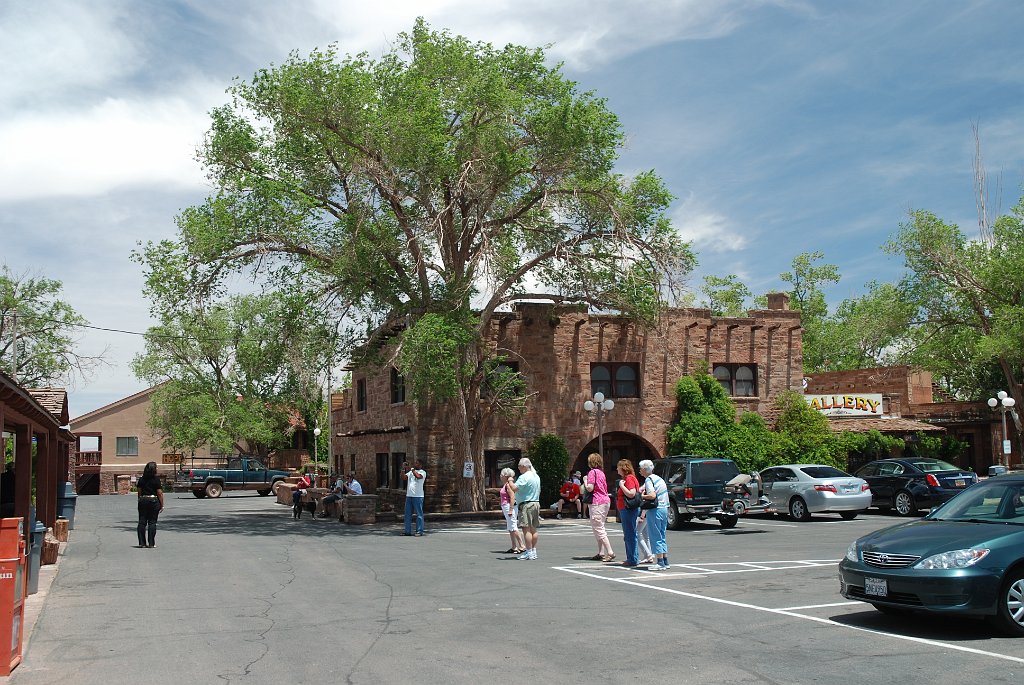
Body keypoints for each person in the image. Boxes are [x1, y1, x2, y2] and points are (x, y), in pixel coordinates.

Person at [582, 452, 615, 562]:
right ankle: (601, 552)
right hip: (605, 500)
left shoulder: (592, 472)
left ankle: (609, 551)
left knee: (598, 527)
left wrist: (585, 481)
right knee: (600, 526)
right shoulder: (601, 473)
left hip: (597, 502)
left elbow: (590, 488)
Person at [639, 459, 670, 570]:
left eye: (640, 469)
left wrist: (642, 496)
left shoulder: (649, 480)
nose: (640, 471)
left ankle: (660, 562)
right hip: (664, 508)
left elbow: (652, 495)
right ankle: (665, 560)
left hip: (655, 509)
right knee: (662, 535)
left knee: (655, 535)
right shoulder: (659, 478)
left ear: (644, 469)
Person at [510, 457, 541, 560]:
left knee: (526, 529)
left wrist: (510, 481)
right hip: (535, 503)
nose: (518, 468)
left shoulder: (524, 476)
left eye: (519, 466)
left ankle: (529, 552)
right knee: (534, 529)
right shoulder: (536, 476)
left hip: (526, 504)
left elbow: (514, 488)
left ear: (523, 466)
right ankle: (533, 551)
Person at [615, 459, 641, 567]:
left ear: (623, 468)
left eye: (618, 467)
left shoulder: (629, 479)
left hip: (628, 510)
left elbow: (632, 493)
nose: (617, 469)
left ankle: (632, 559)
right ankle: (632, 557)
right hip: (626, 510)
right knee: (629, 534)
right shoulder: (628, 478)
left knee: (629, 534)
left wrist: (622, 486)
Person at [136, 461, 164, 548]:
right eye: (156, 467)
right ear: (153, 469)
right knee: (152, 522)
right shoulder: (156, 479)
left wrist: (140, 499)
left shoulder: (141, 479)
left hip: (143, 500)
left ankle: (142, 543)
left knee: (142, 522)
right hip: (153, 500)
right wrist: (162, 504)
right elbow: (159, 493)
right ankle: (151, 543)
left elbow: (139, 491)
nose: (157, 469)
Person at [499, 467, 525, 554]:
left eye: (502, 475)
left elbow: (512, 497)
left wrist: (510, 509)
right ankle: (514, 546)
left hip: (509, 506)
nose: (500, 476)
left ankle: (522, 545)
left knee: (513, 526)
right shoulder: (506, 484)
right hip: (506, 506)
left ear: (506, 476)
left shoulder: (508, 485)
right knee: (510, 527)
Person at [402, 459, 427, 536]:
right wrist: (403, 469)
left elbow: (418, 476)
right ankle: (407, 531)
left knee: (419, 514)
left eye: (417, 463)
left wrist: (412, 470)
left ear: (420, 465)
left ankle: (419, 531)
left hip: (418, 496)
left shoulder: (423, 472)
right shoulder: (410, 472)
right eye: (415, 463)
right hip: (409, 496)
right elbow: (404, 478)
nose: (415, 464)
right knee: (407, 514)